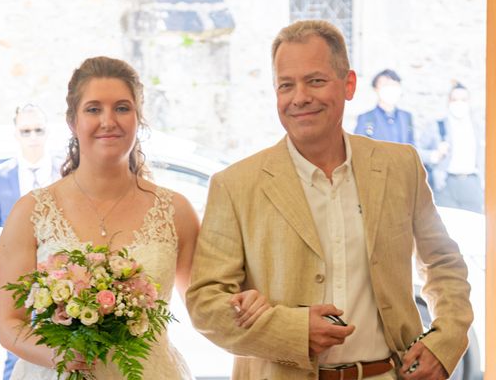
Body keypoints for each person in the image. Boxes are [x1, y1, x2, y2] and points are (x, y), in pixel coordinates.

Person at [186, 20, 473, 380]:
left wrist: (445, 341)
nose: (299, 97)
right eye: (286, 85)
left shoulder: (401, 166)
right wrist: (292, 329)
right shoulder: (235, 185)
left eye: (315, 81)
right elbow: (205, 304)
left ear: (349, 84)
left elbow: (444, 264)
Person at [0, 57, 266, 379]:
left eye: (122, 108)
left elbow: (204, 304)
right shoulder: (32, 212)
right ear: (73, 121)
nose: (109, 121)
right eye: (93, 109)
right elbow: (9, 324)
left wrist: (242, 304)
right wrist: (59, 354)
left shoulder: (174, 211)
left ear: (139, 118)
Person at [0, 103, 63, 380]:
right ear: (16, 134)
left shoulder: (65, 174)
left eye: (38, 130)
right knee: (16, 349)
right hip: (17, 279)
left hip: (60, 279)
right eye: (26, 131)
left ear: (47, 132)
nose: (32, 136)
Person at [420, 82, 484, 213]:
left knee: (474, 226)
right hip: (445, 183)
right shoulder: (437, 126)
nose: (459, 103)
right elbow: (417, 151)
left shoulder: (478, 127)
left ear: (469, 101)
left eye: (463, 99)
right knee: (448, 227)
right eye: (455, 99)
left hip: (472, 182)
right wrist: (434, 155)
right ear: (448, 101)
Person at [354, 69, 414, 145]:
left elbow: (412, 147)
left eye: (394, 85)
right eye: (385, 85)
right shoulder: (366, 118)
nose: (391, 89)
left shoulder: (406, 117)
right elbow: (359, 149)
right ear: (376, 89)